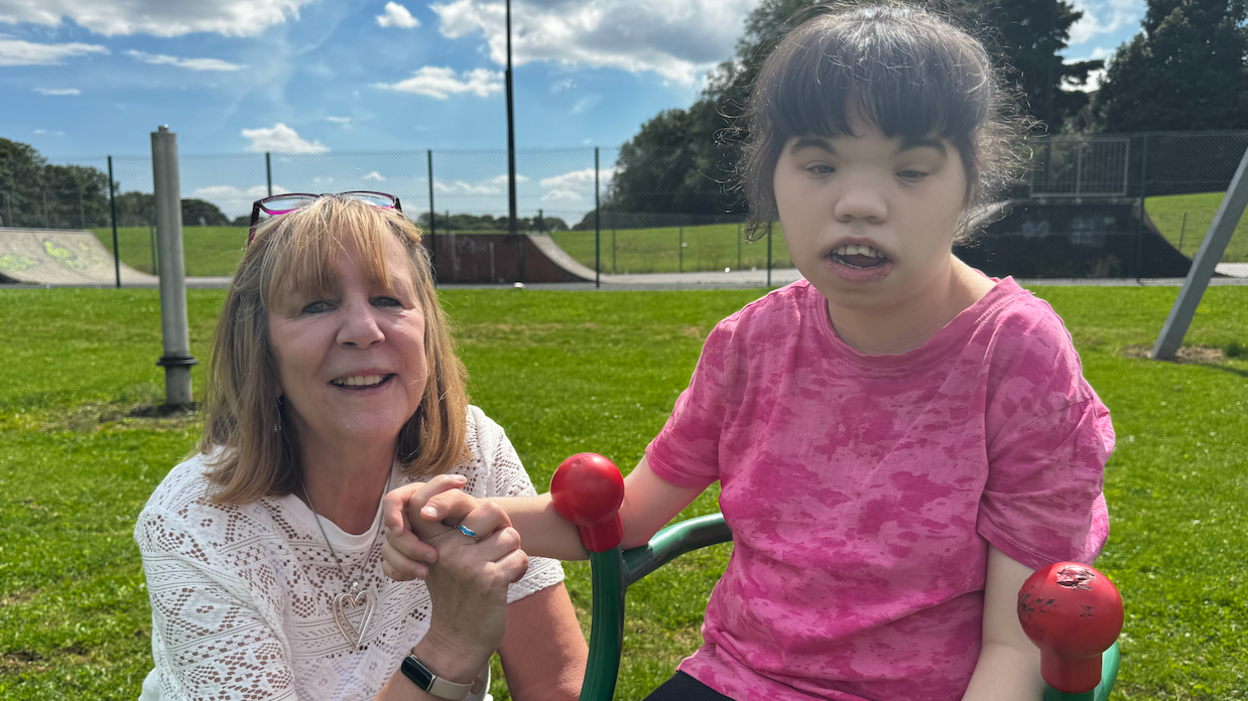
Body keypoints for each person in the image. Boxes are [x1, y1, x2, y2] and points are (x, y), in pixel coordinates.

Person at [382, 3, 1114, 700]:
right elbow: (625, 516)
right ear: (773, 177)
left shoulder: (1017, 354)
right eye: (821, 165)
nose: (860, 201)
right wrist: (468, 515)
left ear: (968, 181)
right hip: (735, 679)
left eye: (911, 169)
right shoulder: (751, 344)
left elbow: (1018, 642)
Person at [133, 194, 586, 701]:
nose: (364, 331)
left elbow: (557, 683)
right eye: (316, 305)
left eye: (389, 300)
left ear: (427, 335)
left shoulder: (473, 450)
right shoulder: (197, 522)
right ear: (262, 353)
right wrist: (450, 644)